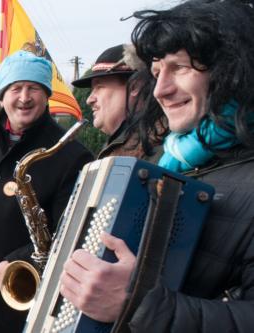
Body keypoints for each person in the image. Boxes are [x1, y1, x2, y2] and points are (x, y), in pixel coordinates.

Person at [60, 1, 254, 331]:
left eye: (179, 67)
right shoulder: (168, 160)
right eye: (156, 72)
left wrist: (137, 304)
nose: (161, 90)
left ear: (232, 68)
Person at [0, 50, 93, 333]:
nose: (24, 97)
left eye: (33, 88)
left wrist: (14, 261)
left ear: (46, 95)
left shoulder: (70, 154)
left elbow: (69, 232)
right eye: (16, 88)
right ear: (2, 95)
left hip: (29, 295)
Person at [72, 44, 164, 161]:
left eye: (99, 87)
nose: (89, 100)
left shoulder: (167, 147)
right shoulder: (135, 141)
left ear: (134, 86)